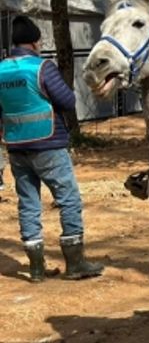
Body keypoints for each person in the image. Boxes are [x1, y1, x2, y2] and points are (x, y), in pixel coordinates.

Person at [0, 16, 104, 282]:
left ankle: (35, 268)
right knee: (68, 198)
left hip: (16, 147)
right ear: (35, 42)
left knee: (29, 203)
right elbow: (67, 100)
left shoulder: (1, 70)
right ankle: (75, 262)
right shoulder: (42, 67)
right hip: (48, 145)